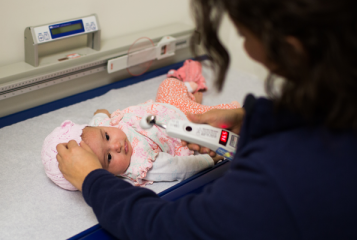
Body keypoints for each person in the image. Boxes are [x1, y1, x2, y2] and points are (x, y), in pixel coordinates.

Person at [56, 0, 357, 239]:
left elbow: (165, 229)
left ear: (291, 49)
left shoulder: (281, 177)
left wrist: (92, 179)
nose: (248, 50)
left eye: (243, 36)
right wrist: (249, 118)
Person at [42, 60, 239, 190]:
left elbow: (98, 120)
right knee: (215, 125)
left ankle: (188, 93)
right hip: (186, 127)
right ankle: (213, 106)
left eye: (107, 137)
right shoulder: (142, 164)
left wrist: (100, 112)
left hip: (164, 108)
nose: (116, 146)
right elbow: (180, 168)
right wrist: (208, 161)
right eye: (109, 157)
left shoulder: (98, 130)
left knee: (168, 85)